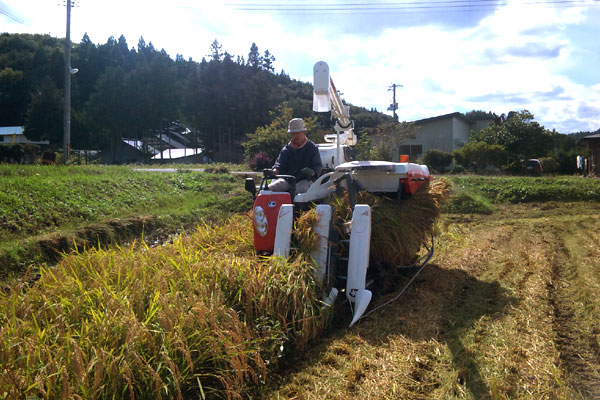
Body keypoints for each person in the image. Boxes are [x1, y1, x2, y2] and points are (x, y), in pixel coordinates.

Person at [268, 118, 323, 194]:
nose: (295, 136)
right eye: (293, 133)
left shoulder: (312, 148)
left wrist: (312, 172)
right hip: (287, 180)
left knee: (299, 191)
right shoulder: (286, 150)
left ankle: (293, 201)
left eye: (297, 133)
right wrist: (273, 172)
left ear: (304, 132)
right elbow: (279, 165)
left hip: (305, 180)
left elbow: (318, 166)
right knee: (269, 189)